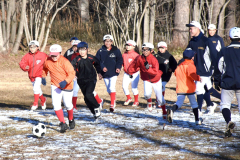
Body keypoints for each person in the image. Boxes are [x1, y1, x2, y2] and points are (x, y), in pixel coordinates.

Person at [186, 21, 218, 115]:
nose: (190, 30)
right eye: (190, 28)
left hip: (205, 69)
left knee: (198, 89)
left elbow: (215, 55)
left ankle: (199, 110)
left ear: (197, 29)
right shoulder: (192, 41)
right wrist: (180, 64)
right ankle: (210, 105)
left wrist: (215, 70)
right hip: (195, 69)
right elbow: (186, 53)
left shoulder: (206, 41)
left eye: (191, 28)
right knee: (206, 89)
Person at [128, 43, 167, 119]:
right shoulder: (139, 58)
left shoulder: (154, 59)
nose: (145, 51)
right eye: (143, 49)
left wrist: (147, 69)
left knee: (160, 99)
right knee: (146, 95)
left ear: (151, 51)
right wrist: (130, 72)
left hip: (156, 80)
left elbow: (155, 72)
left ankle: (164, 111)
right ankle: (149, 102)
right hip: (146, 79)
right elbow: (133, 65)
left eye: (147, 50)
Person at [42, 44, 75, 133]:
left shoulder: (65, 61)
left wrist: (66, 81)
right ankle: (63, 123)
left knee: (68, 104)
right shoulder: (47, 60)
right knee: (56, 104)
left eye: (55, 55)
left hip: (67, 85)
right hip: (55, 85)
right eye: (52, 55)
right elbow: (44, 68)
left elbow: (72, 73)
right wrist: (43, 76)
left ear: (60, 53)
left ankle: (71, 119)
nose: (53, 57)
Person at [167, 49, 202, 125]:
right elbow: (192, 75)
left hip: (180, 88)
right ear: (192, 57)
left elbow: (176, 73)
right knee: (194, 104)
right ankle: (197, 120)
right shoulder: (191, 65)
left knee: (179, 103)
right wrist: (198, 78)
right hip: (189, 88)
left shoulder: (179, 66)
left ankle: (172, 110)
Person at [217, 27, 240, 137]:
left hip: (227, 82)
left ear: (229, 38)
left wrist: (217, 80)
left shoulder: (224, 51)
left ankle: (228, 122)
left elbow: (219, 66)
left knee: (225, 105)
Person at [71, 42, 102, 119]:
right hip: (81, 80)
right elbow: (71, 67)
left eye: (83, 50)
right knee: (86, 98)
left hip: (91, 79)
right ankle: (94, 113)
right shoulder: (76, 59)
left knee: (89, 94)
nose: (81, 51)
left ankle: (97, 106)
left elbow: (97, 64)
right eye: (80, 50)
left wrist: (99, 73)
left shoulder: (91, 58)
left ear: (87, 50)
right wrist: (73, 74)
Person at [95, 34, 123, 112]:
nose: (107, 43)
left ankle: (112, 104)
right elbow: (97, 62)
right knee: (108, 90)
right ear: (104, 42)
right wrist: (100, 71)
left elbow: (120, 60)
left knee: (111, 87)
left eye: (109, 41)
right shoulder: (100, 51)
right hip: (105, 74)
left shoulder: (116, 50)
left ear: (112, 42)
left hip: (113, 73)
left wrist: (118, 67)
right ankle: (108, 100)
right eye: (106, 41)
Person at [19, 40, 48, 110]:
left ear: (38, 47)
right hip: (31, 76)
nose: (32, 48)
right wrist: (24, 67)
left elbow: (49, 62)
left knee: (35, 88)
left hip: (39, 75)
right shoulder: (27, 56)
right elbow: (22, 63)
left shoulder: (43, 55)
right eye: (30, 47)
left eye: (34, 47)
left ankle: (35, 104)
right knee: (38, 90)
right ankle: (43, 99)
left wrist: (44, 75)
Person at [154, 41, 177, 109]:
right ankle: (158, 100)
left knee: (162, 86)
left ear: (166, 48)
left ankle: (160, 102)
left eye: (162, 48)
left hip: (166, 74)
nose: (161, 49)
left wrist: (171, 69)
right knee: (157, 88)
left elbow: (175, 64)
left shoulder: (169, 56)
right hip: (157, 75)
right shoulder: (155, 56)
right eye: (159, 48)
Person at [122, 40, 140, 107]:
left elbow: (139, 65)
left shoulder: (136, 55)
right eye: (127, 45)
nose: (127, 46)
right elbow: (122, 63)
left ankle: (136, 101)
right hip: (126, 73)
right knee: (124, 86)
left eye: (129, 45)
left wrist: (134, 70)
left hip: (134, 74)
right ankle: (129, 98)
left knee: (134, 88)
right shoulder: (124, 54)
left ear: (133, 46)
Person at [208, 24, 225, 93]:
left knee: (218, 76)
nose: (211, 32)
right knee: (209, 76)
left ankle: (219, 87)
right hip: (209, 60)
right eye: (210, 30)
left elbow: (223, 49)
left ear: (215, 30)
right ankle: (210, 90)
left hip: (217, 60)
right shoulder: (207, 39)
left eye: (213, 30)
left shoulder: (218, 39)